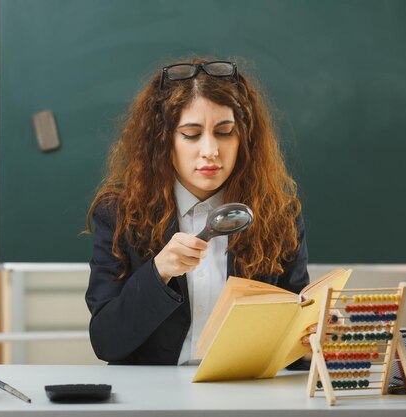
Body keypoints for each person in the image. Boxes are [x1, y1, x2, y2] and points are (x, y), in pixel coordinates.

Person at [85, 58, 309, 365]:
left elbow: (292, 347)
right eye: (191, 134)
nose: (211, 151)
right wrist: (159, 271)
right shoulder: (118, 214)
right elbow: (107, 342)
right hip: (152, 399)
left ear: (244, 138)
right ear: (163, 141)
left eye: (225, 131)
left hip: (244, 394)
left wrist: (312, 337)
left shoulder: (278, 215)